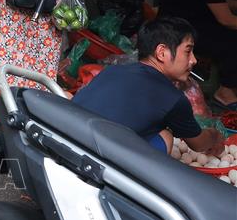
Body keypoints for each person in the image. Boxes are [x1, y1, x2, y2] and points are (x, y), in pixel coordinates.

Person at [73, 17, 225, 156]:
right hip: (102, 161)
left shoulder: (113, 70)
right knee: (166, 136)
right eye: (188, 51)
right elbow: (198, 144)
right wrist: (215, 136)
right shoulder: (173, 98)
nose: (193, 60)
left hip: (68, 139)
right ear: (162, 53)